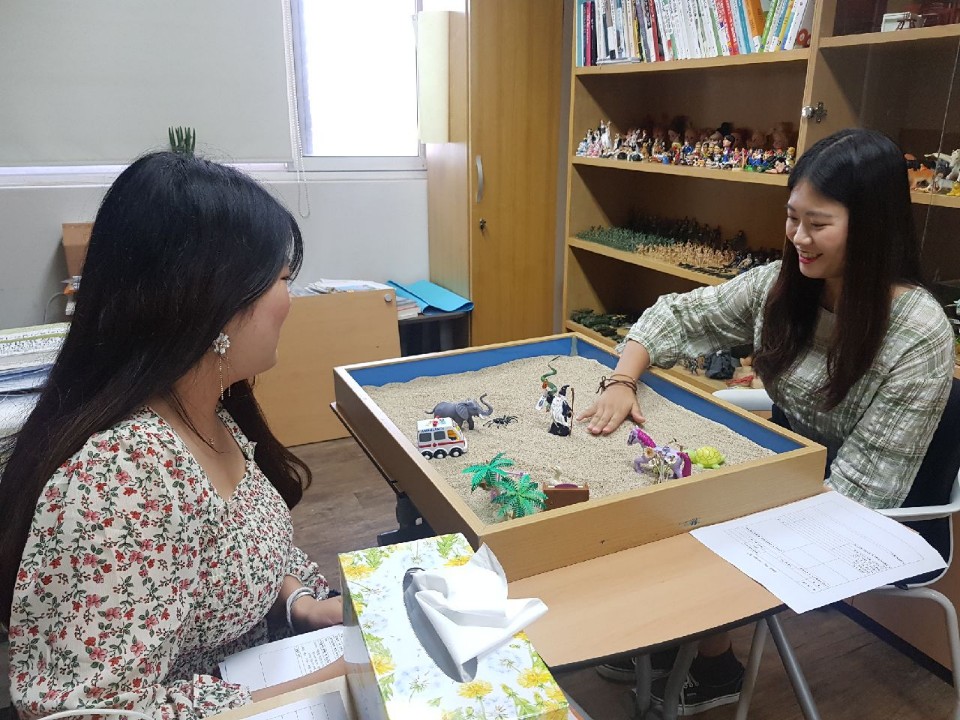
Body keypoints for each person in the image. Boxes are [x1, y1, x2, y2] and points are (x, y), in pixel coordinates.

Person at [578, 128, 956, 715]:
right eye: (792, 217)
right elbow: (678, 316)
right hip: (791, 474)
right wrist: (623, 381)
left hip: (870, 512)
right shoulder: (786, 286)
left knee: (683, 513)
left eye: (818, 223)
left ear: (872, 226)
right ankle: (693, 646)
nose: (798, 237)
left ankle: (701, 655)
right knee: (657, 483)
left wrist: (736, 502)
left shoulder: (917, 334)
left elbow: (864, 494)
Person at [0, 152, 345, 719]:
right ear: (212, 300)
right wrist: (313, 685)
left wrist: (299, 603)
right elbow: (92, 712)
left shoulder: (207, 412)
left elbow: (238, 548)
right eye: (283, 279)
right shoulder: (120, 482)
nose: (290, 299)